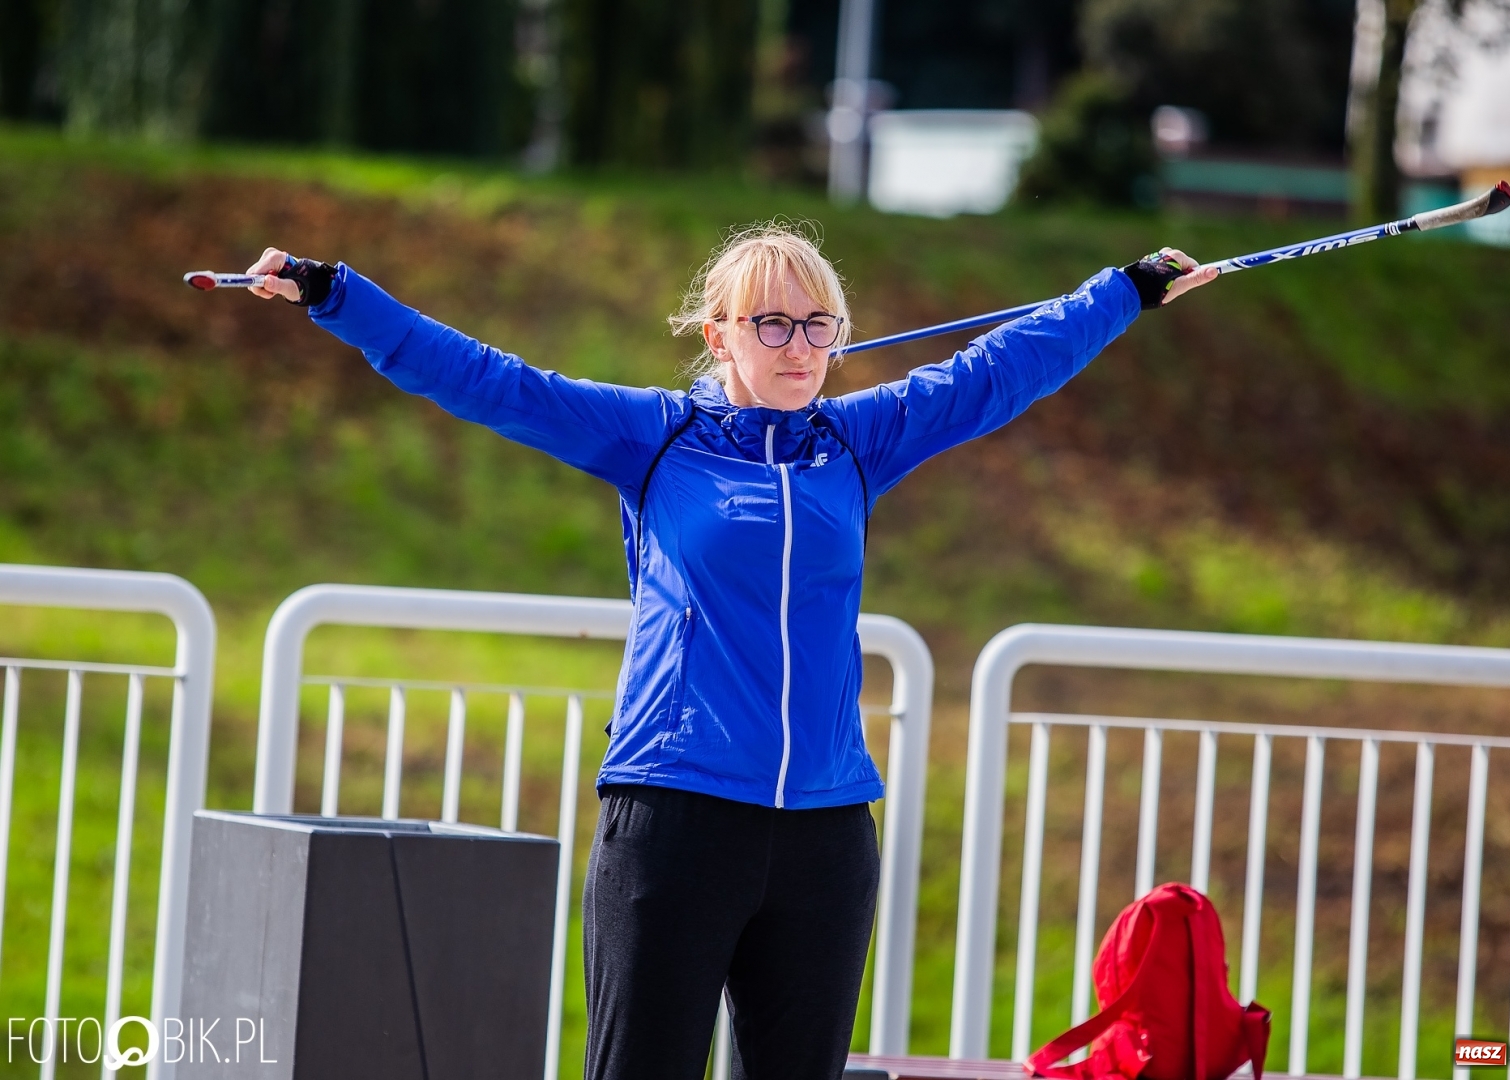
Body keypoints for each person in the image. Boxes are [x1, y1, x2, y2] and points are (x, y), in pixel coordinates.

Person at [244, 223, 1215, 1080]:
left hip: (827, 838)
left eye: (819, 323)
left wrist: (1125, 290)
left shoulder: (858, 442)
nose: (801, 346)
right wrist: (337, 295)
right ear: (719, 336)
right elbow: (480, 376)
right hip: (675, 822)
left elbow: (1000, 370)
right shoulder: (653, 440)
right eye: (773, 324)